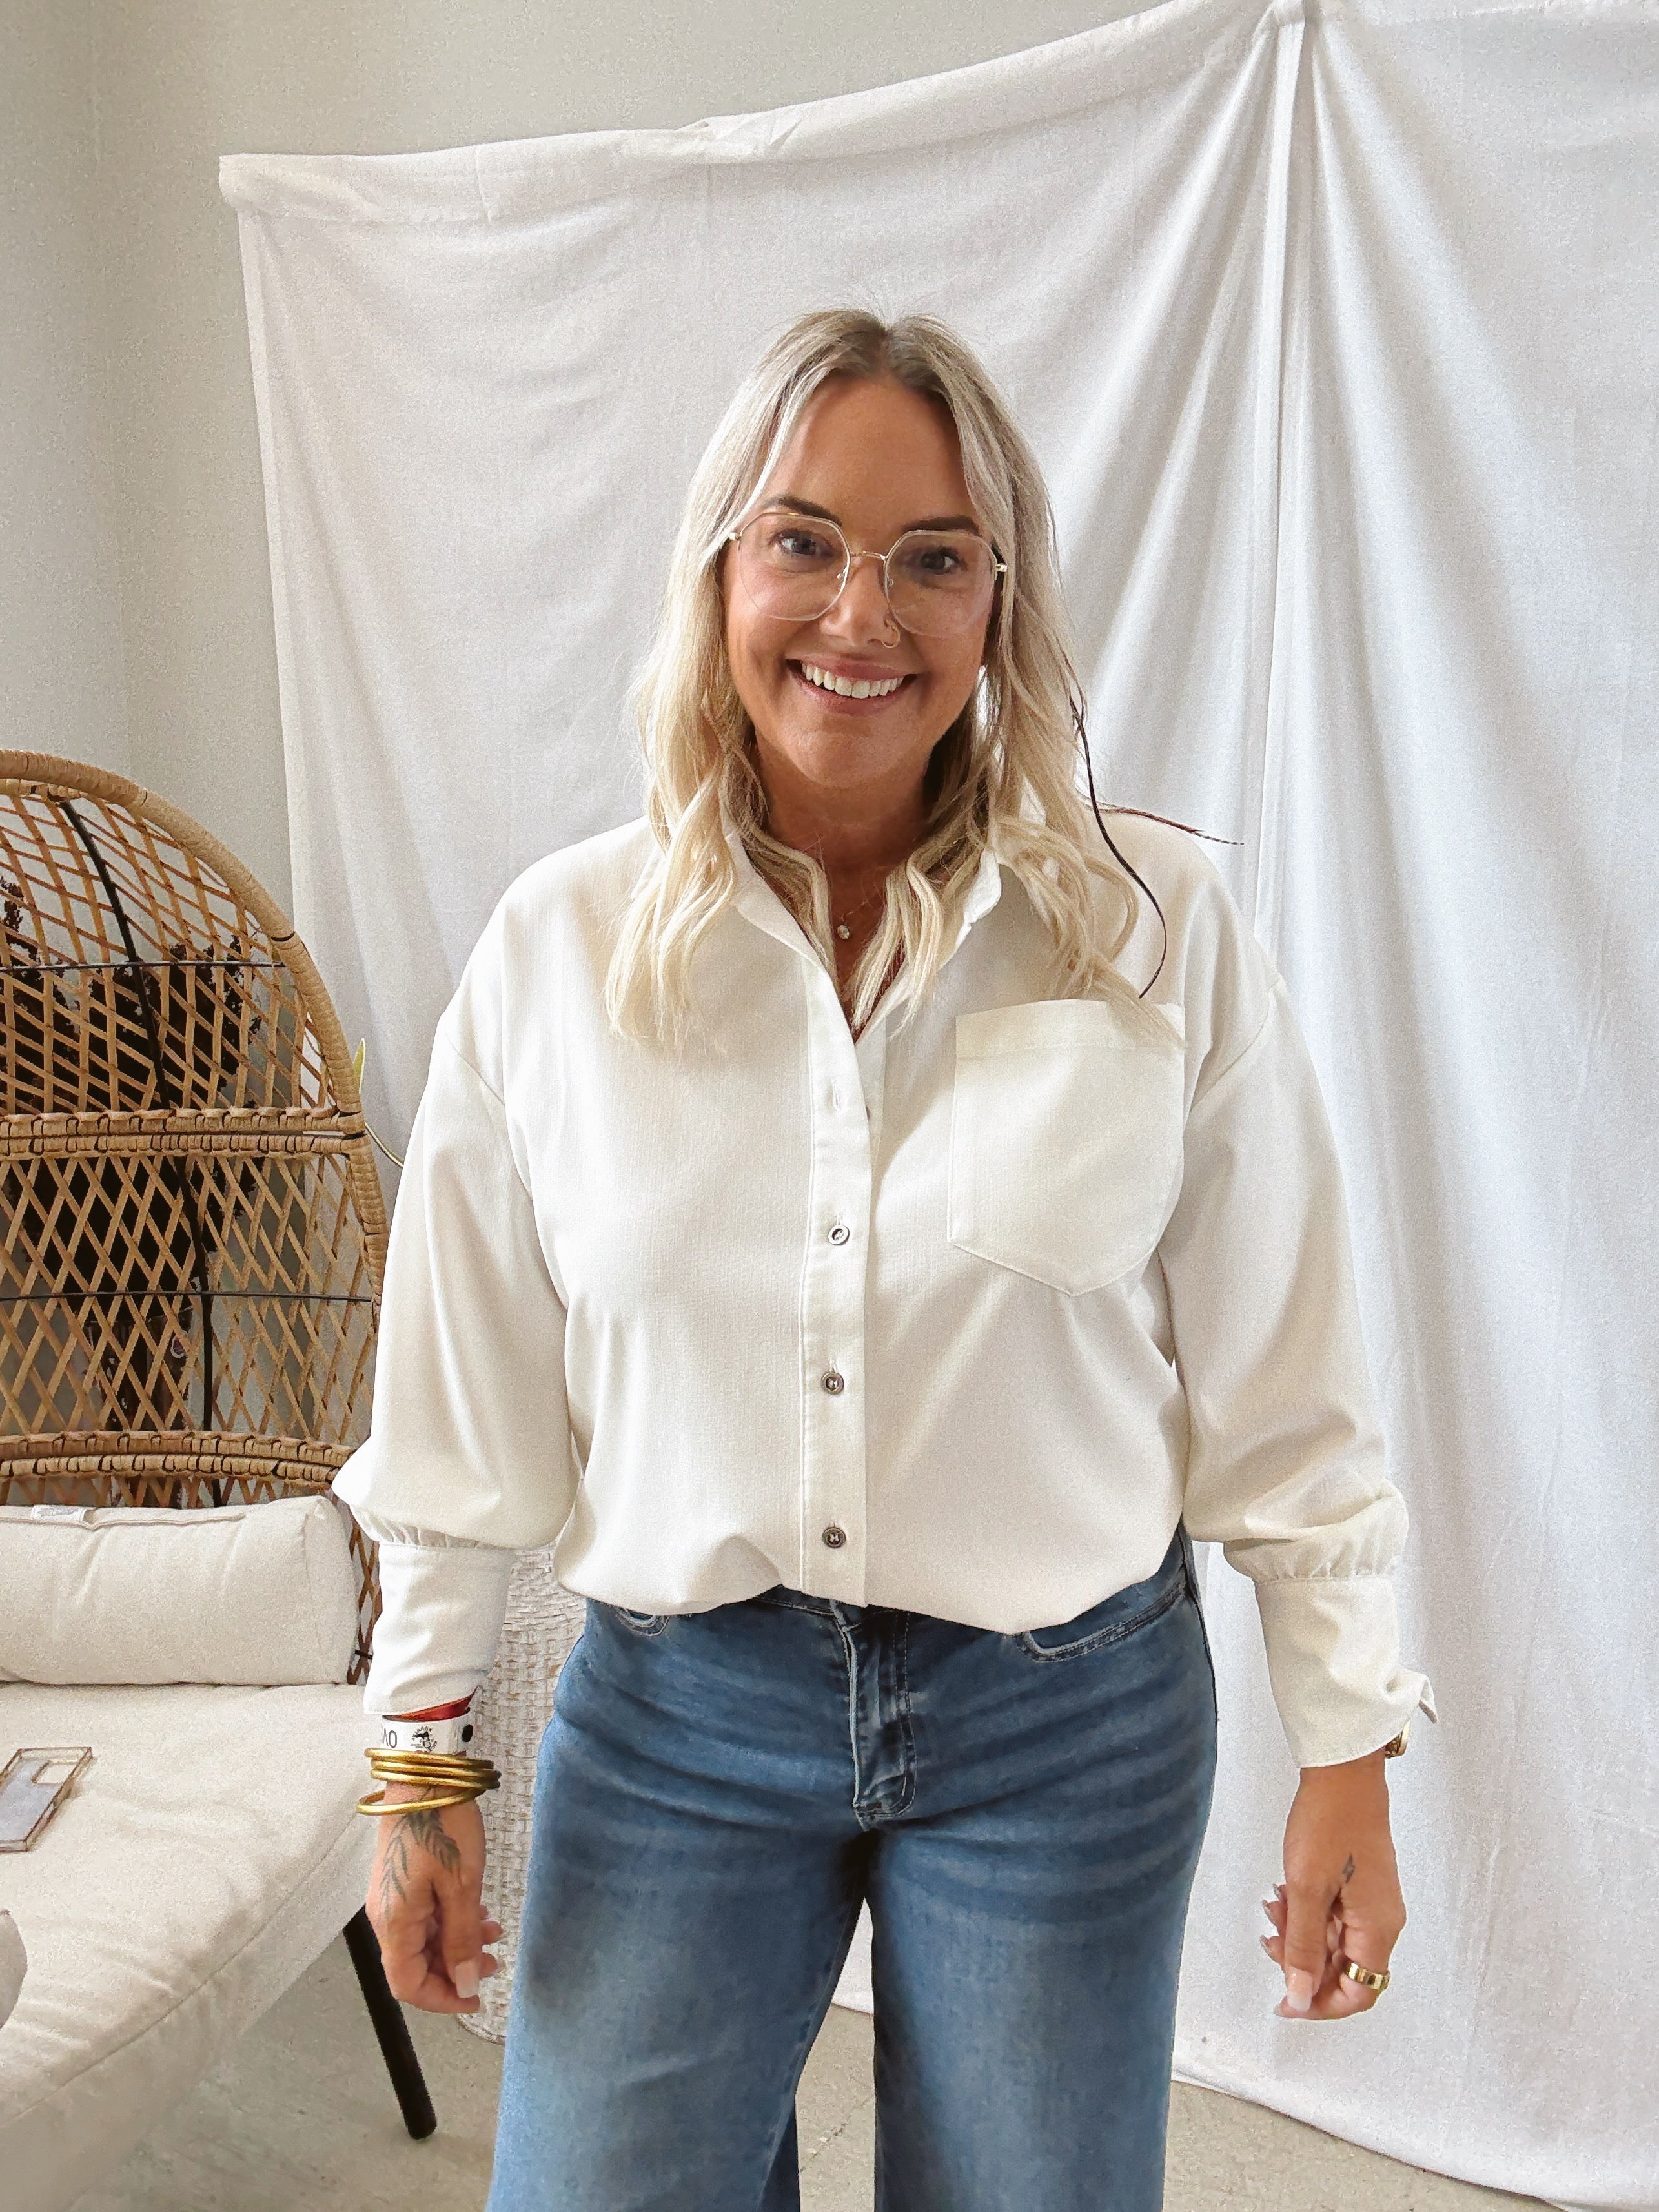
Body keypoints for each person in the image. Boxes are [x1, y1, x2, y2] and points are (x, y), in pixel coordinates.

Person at [336, 308, 1436, 2212]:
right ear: (719, 570)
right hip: (681, 1716)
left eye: (934, 557)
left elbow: (1288, 1375)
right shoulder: (556, 955)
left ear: (1000, 603)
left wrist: (1347, 1745)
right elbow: (461, 1403)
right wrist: (417, 1760)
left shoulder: (1154, 927)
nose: (863, 613)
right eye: (805, 541)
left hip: (1064, 1722)